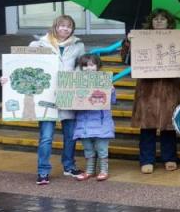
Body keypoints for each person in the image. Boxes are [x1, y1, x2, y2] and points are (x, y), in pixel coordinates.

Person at [14, 15, 86, 184]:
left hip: (68, 94)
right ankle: (43, 171)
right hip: (45, 95)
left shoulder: (78, 45)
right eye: (62, 25)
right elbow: (22, 65)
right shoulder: (39, 44)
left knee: (70, 135)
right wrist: (7, 78)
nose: (65, 29)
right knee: (46, 136)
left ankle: (69, 166)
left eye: (69, 26)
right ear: (55, 26)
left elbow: (83, 67)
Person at [121, 8, 180, 174]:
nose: (158, 21)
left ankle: (170, 158)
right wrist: (128, 43)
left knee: (168, 126)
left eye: (162, 19)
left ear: (168, 22)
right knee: (147, 127)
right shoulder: (141, 37)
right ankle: (146, 159)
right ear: (150, 22)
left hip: (169, 89)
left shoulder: (177, 38)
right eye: (155, 19)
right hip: (147, 89)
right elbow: (126, 60)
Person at [70, 54, 116, 182]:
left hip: (101, 124)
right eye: (85, 66)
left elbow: (111, 101)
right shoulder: (77, 82)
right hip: (83, 123)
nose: (88, 68)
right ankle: (89, 171)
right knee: (88, 149)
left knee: (102, 149)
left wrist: (111, 91)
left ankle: (103, 171)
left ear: (98, 66)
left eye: (91, 65)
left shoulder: (104, 81)